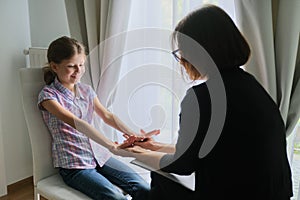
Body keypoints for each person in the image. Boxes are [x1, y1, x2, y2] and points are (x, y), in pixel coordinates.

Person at [114, 4, 293, 200]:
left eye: (181, 52)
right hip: (275, 193)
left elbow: (182, 165)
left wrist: (134, 154)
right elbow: (209, 148)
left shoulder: (201, 97)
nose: (181, 60)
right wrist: (155, 147)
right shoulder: (251, 86)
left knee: (160, 178)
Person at [38, 36, 159, 200]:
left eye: (81, 65)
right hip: (75, 165)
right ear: (54, 66)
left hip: (100, 156)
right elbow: (77, 123)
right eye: (71, 66)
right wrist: (111, 145)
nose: (78, 71)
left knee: (144, 188)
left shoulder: (86, 90)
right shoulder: (48, 96)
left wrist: (134, 135)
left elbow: (107, 115)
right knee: (116, 198)